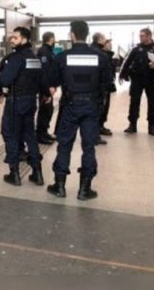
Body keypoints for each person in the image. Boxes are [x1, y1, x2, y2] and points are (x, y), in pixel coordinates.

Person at [46, 20, 110, 201]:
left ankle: (59, 187)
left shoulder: (62, 57)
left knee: (64, 144)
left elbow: (52, 80)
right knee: (89, 146)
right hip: (91, 106)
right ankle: (84, 190)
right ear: (87, 35)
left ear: (72, 35)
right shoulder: (100, 57)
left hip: (70, 105)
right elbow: (107, 82)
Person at [0, 27, 49, 186]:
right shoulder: (34, 58)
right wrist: (47, 94)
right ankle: (37, 173)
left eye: (15, 38)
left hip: (15, 102)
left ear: (24, 39)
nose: (12, 40)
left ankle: (14, 174)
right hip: (31, 102)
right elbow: (42, 80)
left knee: (11, 134)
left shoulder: (15, 58)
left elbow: (4, 80)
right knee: (30, 136)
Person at [119, 28, 154, 135]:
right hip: (137, 80)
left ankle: (152, 126)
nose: (140, 37)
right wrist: (122, 74)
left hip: (152, 79)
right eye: (140, 36)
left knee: (153, 103)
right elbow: (127, 61)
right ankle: (132, 124)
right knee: (134, 102)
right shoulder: (136, 48)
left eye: (142, 36)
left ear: (149, 36)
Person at [35, 32, 57, 144]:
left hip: (48, 86)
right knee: (44, 110)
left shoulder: (48, 51)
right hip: (45, 87)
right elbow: (44, 71)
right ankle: (40, 134)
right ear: (51, 38)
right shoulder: (44, 51)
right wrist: (48, 87)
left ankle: (44, 132)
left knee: (48, 110)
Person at [89, 32, 110, 145]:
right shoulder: (101, 54)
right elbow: (106, 75)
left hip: (88, 87)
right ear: (99, 40)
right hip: (98, 88)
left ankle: (90, 135)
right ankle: (95, 136)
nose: (106, 41)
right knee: (97, 112)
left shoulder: (89, 50)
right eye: (104, 38)